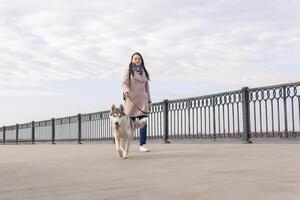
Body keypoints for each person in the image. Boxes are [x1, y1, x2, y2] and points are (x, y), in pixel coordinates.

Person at [122, 52, 152, 152]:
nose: (137, 60)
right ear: (132, 60)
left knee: (143, 123)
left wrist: (149, 100)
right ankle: (125, 142)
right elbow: (124, 83)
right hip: (132, 101)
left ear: (141, 60)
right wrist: (126, 91)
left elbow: (147, 88)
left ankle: (142, 144)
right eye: (135, 59)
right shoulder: (128, 70)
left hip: (143, 101)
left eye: (139, 59)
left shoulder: (144, 72)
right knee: (129, 125)